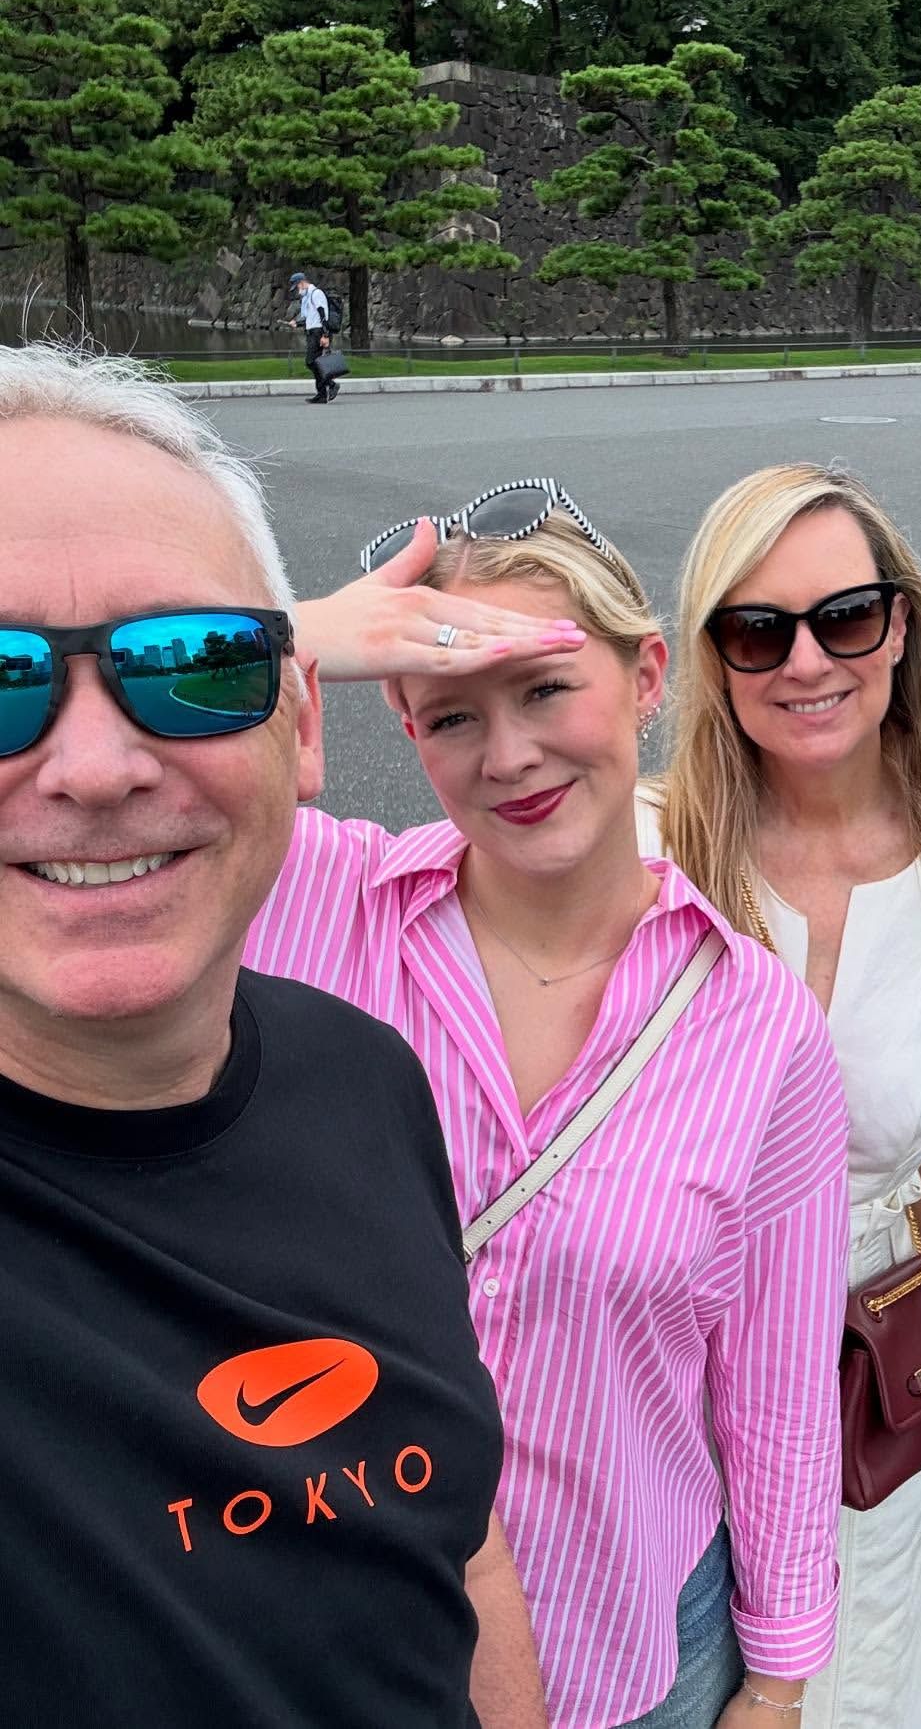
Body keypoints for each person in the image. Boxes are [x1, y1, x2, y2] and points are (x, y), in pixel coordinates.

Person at [245, 481, 852, 1729]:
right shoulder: (307, 903)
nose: (509, 756)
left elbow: (778, 1393)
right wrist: (278, 641)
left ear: (646, 677)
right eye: (452, 714)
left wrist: (780, 1680)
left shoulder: (758, 1027)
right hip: (331, 1632)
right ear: (404, 726)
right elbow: (75, 783)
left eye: (545, 689)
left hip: (628, 1646)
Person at [0, 343, 545, 1728]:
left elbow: (458, 1541)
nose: (96, 767)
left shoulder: (363, 1074)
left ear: (303, 728)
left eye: (191, 664)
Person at [643, 463, 921, 1729]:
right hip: (654, 1341)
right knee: (659, 1669)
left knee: (858, 1675)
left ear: (901, 627)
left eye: (844, 617)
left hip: (861, 1362)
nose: (805, 661)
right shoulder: (636, 846)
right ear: (712, 657)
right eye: (755, 630)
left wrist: (904, 1343)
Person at [286, 270, 337, 404]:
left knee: (311, 362)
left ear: (302, 283)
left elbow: (323, 315)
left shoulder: (316, 294)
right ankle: (322, 393)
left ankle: (330, 384)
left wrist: (325, 335)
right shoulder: (307, 297)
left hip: (318, 332)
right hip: (312, 332)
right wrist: (297, 323)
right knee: (315, 362)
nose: (297, 290)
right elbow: (309, 317)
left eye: (297, 286)